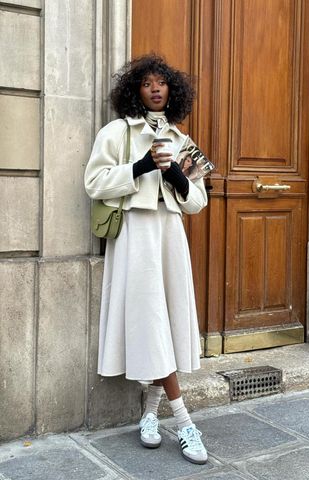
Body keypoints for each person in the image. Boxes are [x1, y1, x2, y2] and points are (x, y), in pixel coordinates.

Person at [84, 54, 208, 465]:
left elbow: (197, 203)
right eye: (146, 83)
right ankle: (185, 421)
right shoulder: (118, 131)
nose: (155, 89)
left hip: (170, 233)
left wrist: (174, 174)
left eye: (162, 83)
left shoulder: (182, 140)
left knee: (166, 321)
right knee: (152, 320)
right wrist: (139, 167)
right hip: (136, 232)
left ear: (172, 90)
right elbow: (94, 182)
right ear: (135, 91)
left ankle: (150, 415)